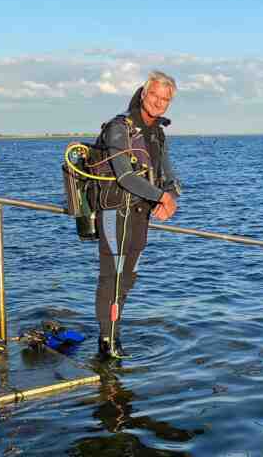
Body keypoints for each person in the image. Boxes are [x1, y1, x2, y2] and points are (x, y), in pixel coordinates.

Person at [90, 70, 182, 360]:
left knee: (128, 277)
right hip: (114, 212)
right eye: (154, 95)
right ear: (143, 94)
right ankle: (106, 341)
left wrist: (171, 198)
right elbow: (126, 176)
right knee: (112, 276)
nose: (158, 102)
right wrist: (161, 196)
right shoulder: (120, 128)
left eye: (165, 98)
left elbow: (169, 176)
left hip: (140, 214)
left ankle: (115, 335)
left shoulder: (157, 133)